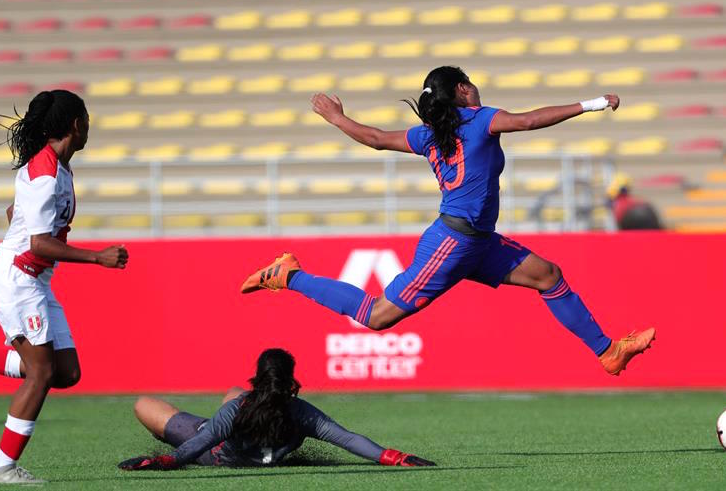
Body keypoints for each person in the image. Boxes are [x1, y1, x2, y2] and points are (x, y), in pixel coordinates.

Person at [242, 66, 655, 377]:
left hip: (478, 241)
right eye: (471, 84)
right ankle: (288, 276)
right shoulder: (478, 120)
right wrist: (592, 104)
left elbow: (375, 138)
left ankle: (608, 351)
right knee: (377, 316)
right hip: (452, 243)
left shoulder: (430, 133)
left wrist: (336, 117)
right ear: (463, 89)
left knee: (548, 275)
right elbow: (528, 121)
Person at [0, 91, 129, 484]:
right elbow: (38, 243)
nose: (89, 126)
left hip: (32, 279)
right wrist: (97, 257)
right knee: (41, 373)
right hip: (18, 277)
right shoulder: (47, 172)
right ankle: (2, 467)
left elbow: (18, 215)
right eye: (86, 118)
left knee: (65, 372)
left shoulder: (57, 168)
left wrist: (22, 224)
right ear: (75, 125)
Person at [119, 348, 434, 470]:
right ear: (291, 381)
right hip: (264, 452)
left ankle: (165, 435)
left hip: (218, 456)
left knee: (143, 404)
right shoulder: (302, 413)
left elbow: (202, 442)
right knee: (232, 393)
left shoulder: (237, 411)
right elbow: (347, 438)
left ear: (259, 378)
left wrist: (165, 460)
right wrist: (392, 456)